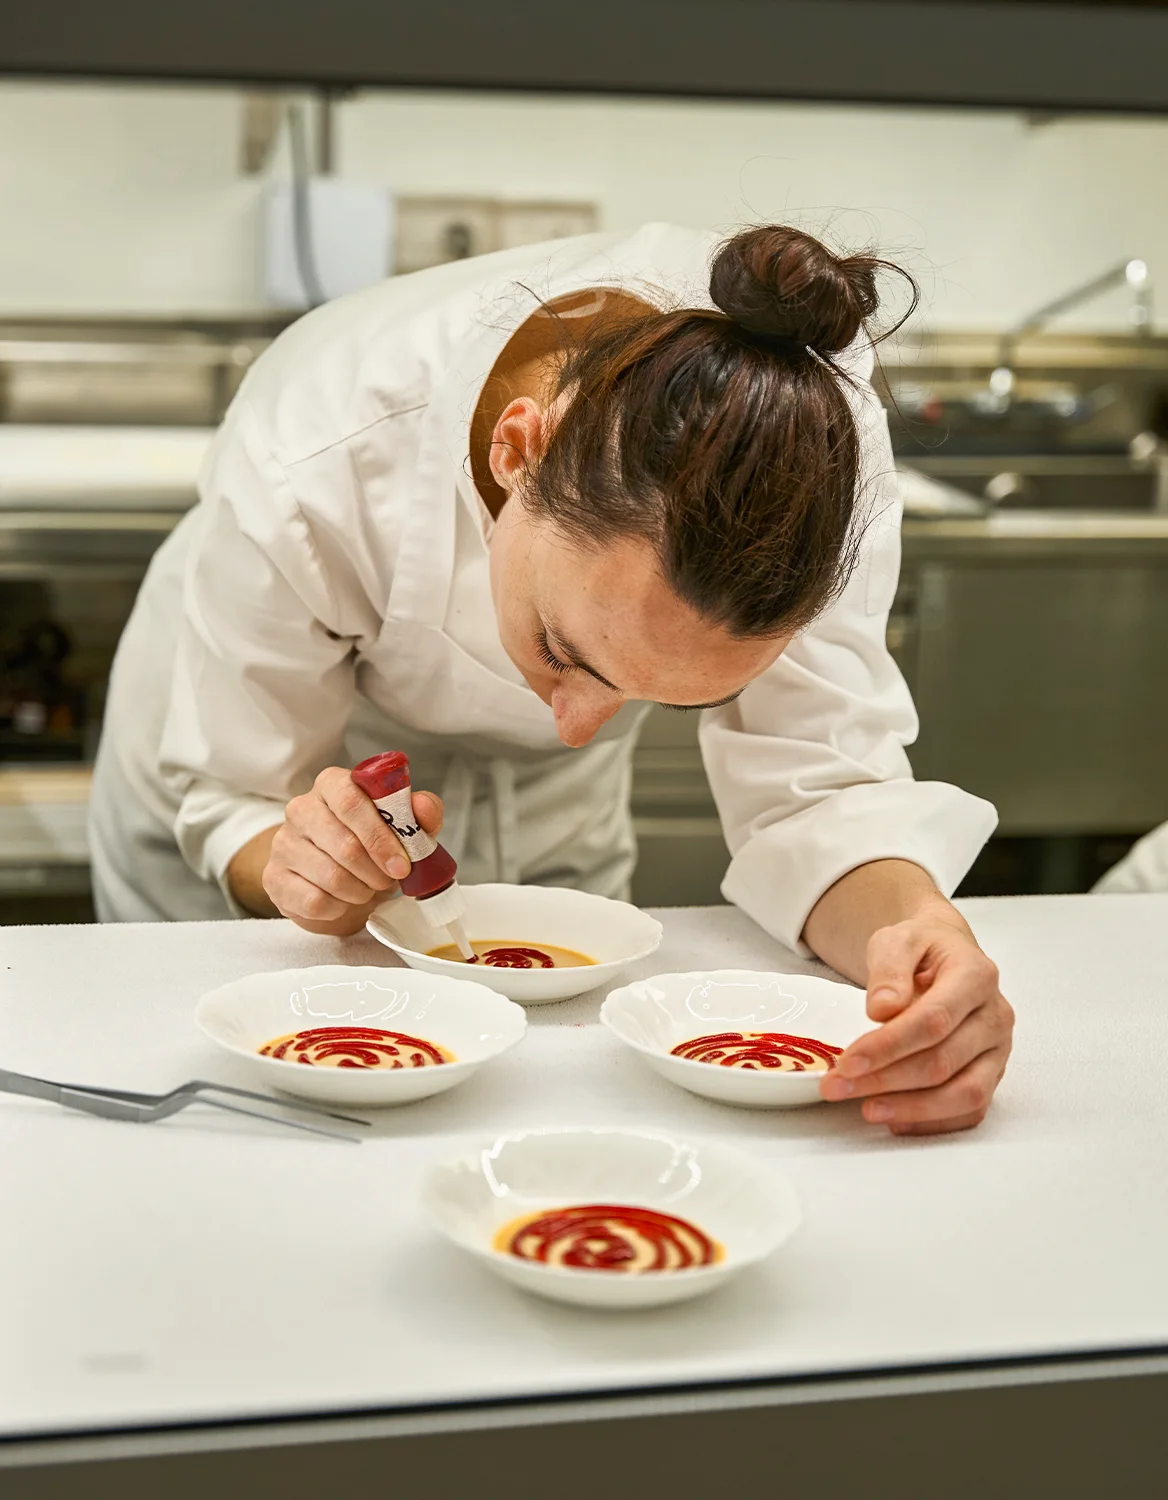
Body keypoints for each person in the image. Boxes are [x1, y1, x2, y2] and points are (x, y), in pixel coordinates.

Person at [90, 221, 1014, 1134]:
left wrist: (918, 939)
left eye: (656, 694)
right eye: (564, 650)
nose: (583, 732)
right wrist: (302, 861)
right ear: (513, 449)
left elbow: (820, 802)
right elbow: (237, 795)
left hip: (538, 820)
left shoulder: (806, 463)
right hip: (262, 750)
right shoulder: (316, 453)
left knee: (553, 1093)